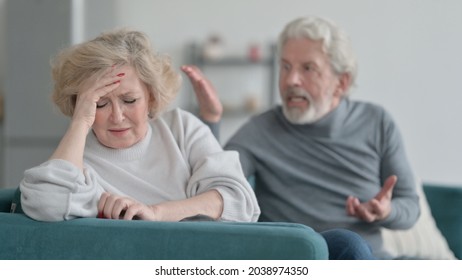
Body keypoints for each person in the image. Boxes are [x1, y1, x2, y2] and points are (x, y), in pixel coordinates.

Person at [182, 15, 420, 259]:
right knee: (347, 244)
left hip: (372, 260)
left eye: (308, 68)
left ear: (341, 82)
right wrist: (210, 119)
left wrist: (386, 210)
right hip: (301, 258)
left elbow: (410, 206)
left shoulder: (377, 122)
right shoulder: (260, 131)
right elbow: (214, 183)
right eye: (285, 67)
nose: (291, 80)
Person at [19, 29, 260, 224]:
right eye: (100, 103)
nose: (117, 116)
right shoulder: (76, 161)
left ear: (151, 97)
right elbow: (44, 203)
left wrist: (156, 213)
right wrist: (80, 121)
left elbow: (239, 201)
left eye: (129, 100)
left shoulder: (181, 127)